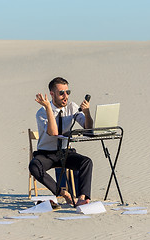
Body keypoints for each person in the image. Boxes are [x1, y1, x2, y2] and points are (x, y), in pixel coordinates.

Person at [29, 77, 94, 206]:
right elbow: (53, 132)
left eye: (67, 92)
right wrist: (48, 107)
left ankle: (82, 197)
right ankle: (63, 193)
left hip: (65, 152)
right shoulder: (42, 112)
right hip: (46, 154)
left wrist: (87, 113)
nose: (65, 96)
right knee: (34, 167)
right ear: (52, 94)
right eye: (61, 93)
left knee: (86, 162)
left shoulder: (72, 107)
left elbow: (88, 129)